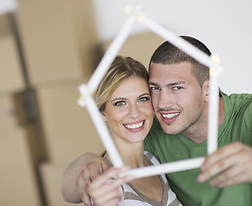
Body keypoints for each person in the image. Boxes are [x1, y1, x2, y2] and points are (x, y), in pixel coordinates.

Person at [61, 36, 252, 206]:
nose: (162, 103)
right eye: (154, 89)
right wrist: (85, 161)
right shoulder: (151, 129)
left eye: (176, 88)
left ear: (207, 89)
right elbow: (72, 191)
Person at [68, 55, 182, 205]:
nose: (134, 113)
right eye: (120, 103)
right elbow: (69, 192)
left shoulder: (154, 161)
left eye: (142, 99)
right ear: (102, 112)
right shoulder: (105, 181)